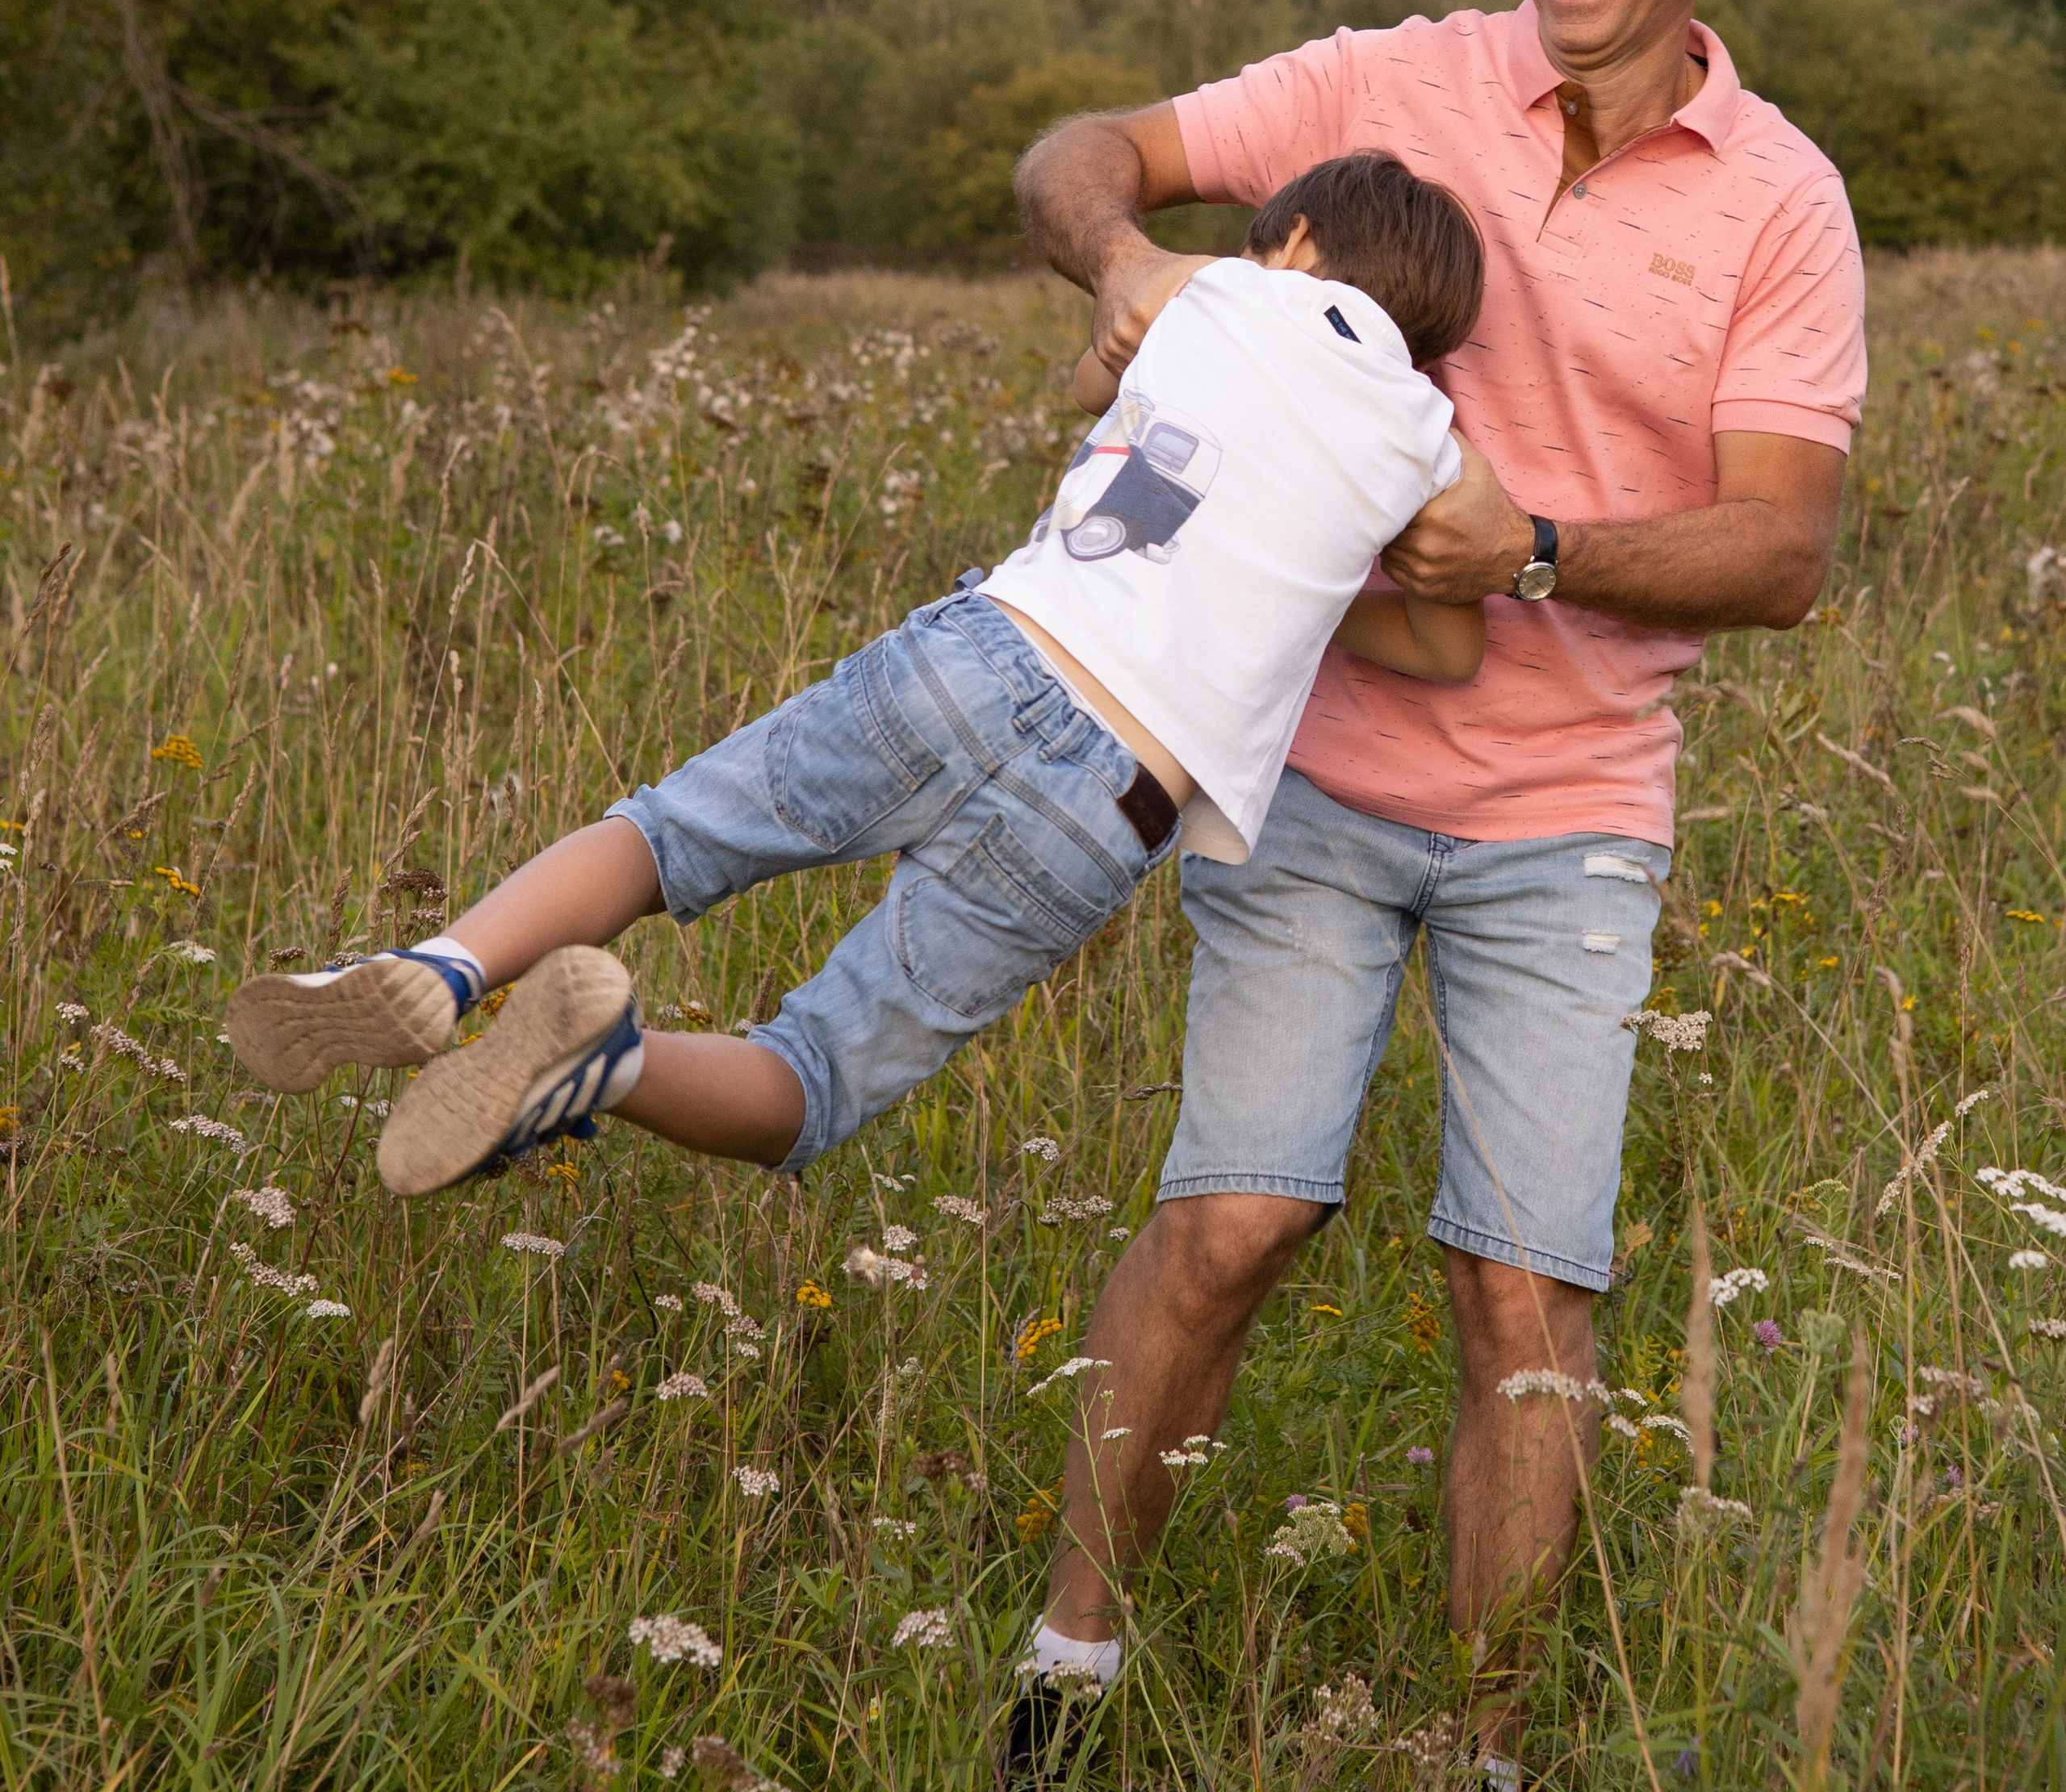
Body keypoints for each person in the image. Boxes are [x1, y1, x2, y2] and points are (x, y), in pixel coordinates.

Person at [1012, 0, 1867, 1792]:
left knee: (1525, 1289)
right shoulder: (1392, 82)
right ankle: (1058, 1687)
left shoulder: (1782, 204)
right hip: (1310, 781)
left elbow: (1782, 551)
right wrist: (1124, 256)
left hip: (1570, 821)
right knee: (1231, 1229)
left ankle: (1482, 1782)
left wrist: (1547, 544)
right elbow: (1084, 150)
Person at [224, 153, 1486, 1224]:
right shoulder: (1426, 437)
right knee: (815, 1077)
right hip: (1116, 809)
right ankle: (601, 1066)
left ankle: (439, 969)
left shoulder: (1219, 292)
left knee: (667, 837)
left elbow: (1096, 382)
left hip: (988, 657)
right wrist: (1302, 582)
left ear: (1296, 239)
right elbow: (1449, 650)